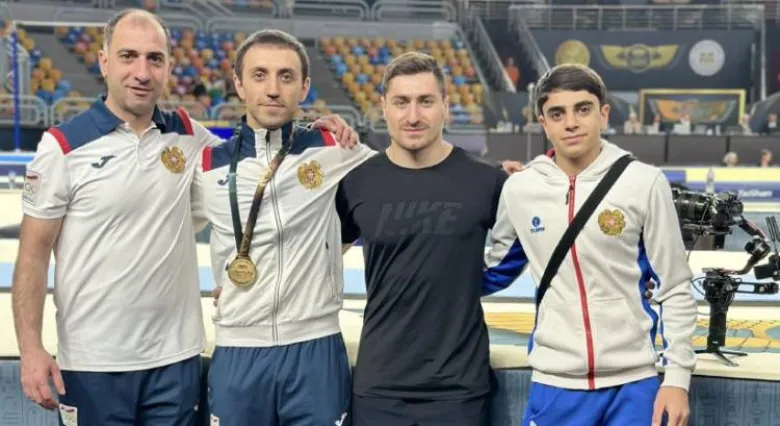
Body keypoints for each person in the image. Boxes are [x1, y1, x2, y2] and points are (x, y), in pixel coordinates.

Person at [11, 8, 356, 426]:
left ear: (168, 67)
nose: (142, 72)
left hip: (177, 360)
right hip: (93, 360)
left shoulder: (190, 137)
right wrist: (30, 348)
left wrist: (314, 128)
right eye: (128, 56)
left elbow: (260, 168)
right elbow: (32, 256)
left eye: (154, 59)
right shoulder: (63, 147)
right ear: (104, 61)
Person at [483, 64, 697, 426]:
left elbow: (674, 286)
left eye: (582, 109)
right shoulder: (520, 189)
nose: (571, 123)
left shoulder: (644, 183)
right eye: (557, 113)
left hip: (634, 385)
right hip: (555, 383)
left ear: (603, 113)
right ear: (543, 123)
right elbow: (493, 271)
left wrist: (677, 378)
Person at [195, 29, 374, 426]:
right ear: (239, 84)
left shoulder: (334, 149)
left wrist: (501, 177)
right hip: (238, 349)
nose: (273, 89)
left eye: (286, 77)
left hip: (315, 349)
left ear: (304, 87)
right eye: (259, 75)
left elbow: (406, 175)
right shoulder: (206, 166)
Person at [335, 51, 507, 426]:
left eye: (425, 101)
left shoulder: (487, 181)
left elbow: (534, 245)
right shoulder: (357, 182)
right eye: (401, 102)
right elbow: (318, 258)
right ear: (383, 106)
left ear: (445, 105)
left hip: (459, 388)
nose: (413, 116)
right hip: (380, 385)